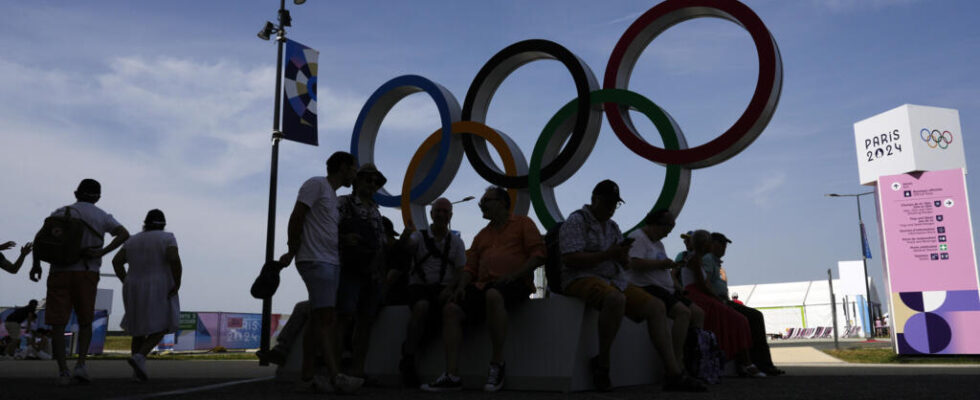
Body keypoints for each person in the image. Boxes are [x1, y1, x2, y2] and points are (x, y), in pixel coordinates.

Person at [560, 181, 704, 392]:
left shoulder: (613, 227)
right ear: (594, 199)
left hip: (612, 279)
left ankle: (673, 372)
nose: (611, 209)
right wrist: (608, 255)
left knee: (656, 307)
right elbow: (570, 259)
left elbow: (627, 262)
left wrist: (621, 257)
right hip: (581, 277)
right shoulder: (576, 221)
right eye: (608, 203)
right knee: (616, 299)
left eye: (615, 204)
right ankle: (603, 364)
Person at [421, 186, 545, 392]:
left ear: (503, 203)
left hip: (515, 284)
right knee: (451, 309)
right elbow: (470, 267)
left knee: (494, 295)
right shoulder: (482, 235)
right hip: (484, 285)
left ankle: (497, 365)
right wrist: (461, 286)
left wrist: (514, 275)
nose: (481, 205)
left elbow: (539, 254)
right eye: (481, 202)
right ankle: (452, 375)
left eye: (486, 201)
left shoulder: (523, 224)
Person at [29, 179, 130, 385]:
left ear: (76, 193)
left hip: (58, 272)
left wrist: (36, 264)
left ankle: (63, 370)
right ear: (98, 197)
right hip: (87, 271)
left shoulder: (60, 212)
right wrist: (103, 251)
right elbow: (124, 234)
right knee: (85, 321)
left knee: (58, 323)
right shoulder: (101, 215)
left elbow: (40, 240)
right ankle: (81, 365)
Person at [280, 151, 363, 394]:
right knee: (328, 318)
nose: (355, 174)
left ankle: (307, 377)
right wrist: (291, 249)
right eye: (353, 169)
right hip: (316, 261)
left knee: (318, 319)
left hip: (330, 262)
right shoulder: (315, 184)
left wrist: (342, 237)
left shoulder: (333, 197)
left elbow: (320, 226)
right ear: (343, 167)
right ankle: (337, 376)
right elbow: (296, 216)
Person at [397, 198, 466, 387]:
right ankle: (408, 357)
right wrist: (404, 237)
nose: (441, 215)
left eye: (445, 211)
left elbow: (460, 271)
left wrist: (451, 289)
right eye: (438, 211)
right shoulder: (419, 236)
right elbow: (408, 247)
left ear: (450, 215)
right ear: (431, 214)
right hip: (419, 287)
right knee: (421, 306)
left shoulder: (457, 242)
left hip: (444, 287)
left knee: (448, 310)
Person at [626, 209, 706, 370]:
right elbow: (633, 263)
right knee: (683, 313)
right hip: (647, 286)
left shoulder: (658, 243)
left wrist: (677, 286)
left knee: (698, 313)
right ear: (656, 225)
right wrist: (662, 264)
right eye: (666, 230)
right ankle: (676, 362)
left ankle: (693, 359)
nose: (667, 235)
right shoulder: (637, 238)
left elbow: (663, 269)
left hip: (666, 288)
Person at [677, 230, 762, 378]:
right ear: (705, 244)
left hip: (700, 295)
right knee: (740, 320)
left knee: (738, 319)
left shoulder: (697, 259)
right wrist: (716, 298)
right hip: (698, 296)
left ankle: (745, 362)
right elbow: (702, 284)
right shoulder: (695, 260)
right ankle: (747, 363)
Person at [111, 209, 182, 382]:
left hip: (133, 284)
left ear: (145, 223)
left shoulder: (133, 239)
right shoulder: (167, 238)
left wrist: (125, 280)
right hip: (159, 283)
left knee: (138, 328)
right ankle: (140, 356)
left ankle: (137, 372)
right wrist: (177, 281)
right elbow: (173, 258)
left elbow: (117, 261)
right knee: (165, 323)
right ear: (164, 224)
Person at [336, 163, 388, 382]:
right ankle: (335, 369)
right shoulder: (343, 203)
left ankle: (357, 370)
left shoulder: (377, 211)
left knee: (365, 322)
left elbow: (382, 242)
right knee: (344, 317)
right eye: (369, 179)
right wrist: (344, 239)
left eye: (376, 181)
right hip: (349, 269)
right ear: (357, 180)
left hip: (372, 272)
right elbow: (328, 229)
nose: (373, 184)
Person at [708, 232, 784, 376]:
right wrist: (718, 300)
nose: (724, 248)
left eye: (725, 245)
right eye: (721, 244)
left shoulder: (716, 263)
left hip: (723, 300)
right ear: (712, 244)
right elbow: (705, 282)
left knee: (754, 316)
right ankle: (758, 364)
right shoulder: (708, 259)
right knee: (753, 317)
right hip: (718, 301)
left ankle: (759, 363)